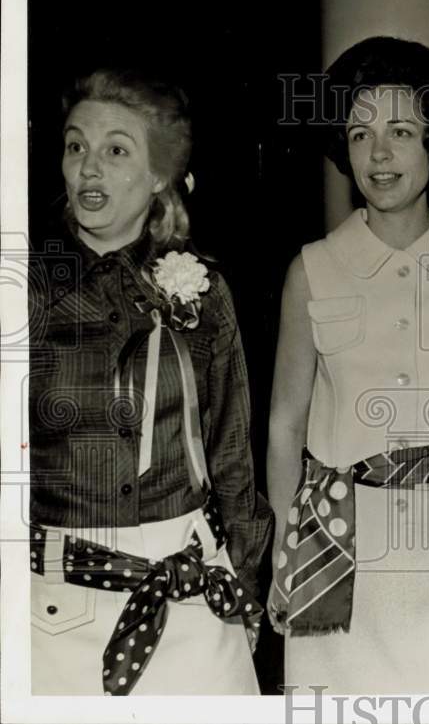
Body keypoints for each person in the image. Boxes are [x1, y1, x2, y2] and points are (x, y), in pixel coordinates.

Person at [267, 36, 429, 694]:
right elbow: (284, 427)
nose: (379, 154)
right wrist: (284, 549)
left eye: (401, 131)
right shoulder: (312, 269)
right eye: (360, 134)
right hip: (338, 558)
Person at [29, 69, 272, 695]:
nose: (88, 168)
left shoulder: (203, 291)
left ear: (160, 173)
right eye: (75, 145)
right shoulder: (25, 291)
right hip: (54, 608)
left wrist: (242, 581)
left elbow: (232, 458)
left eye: (116, 150)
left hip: (192, 592)